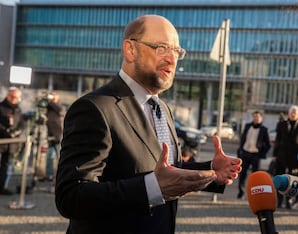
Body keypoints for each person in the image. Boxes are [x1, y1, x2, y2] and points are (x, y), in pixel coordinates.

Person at [54, 15, 242, 234]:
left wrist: (211, 171)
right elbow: (72, 197)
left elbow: (165, 171)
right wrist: (152, 189)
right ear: (130, 50)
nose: (172, 60)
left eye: (176, 51)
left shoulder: (163, 109)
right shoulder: (94, 108)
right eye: (161, 48)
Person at [271, 105, 298, 209]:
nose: (293, 113)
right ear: (289, 113)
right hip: (281, 156)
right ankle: (279, 201)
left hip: (294, 158)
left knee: (291, 180)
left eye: (295, 112)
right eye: (292, 112)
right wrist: (274, 154)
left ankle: (288, 201)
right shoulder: (281, 124)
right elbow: (277, 140)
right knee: (280, 178)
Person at [236, 111, 271, 199]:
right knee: (242, 173)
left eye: (258, 117)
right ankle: (241, 191)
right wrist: (240, 150)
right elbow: (243, 139)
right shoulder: (248, 126)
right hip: (245, 153)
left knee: (255, 175)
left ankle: (254, 193)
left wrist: (262, 154)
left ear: (261, 118)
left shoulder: (264, 129)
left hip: (256, 155)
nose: (256, 118)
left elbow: (268, 145)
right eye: (254, 117)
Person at [0, 87, 25, 195]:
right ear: (9, 96)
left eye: (18, 98)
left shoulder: (18, 109)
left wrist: (17, 131)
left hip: (11, 144)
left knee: (5, 166)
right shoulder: (1, 107)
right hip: (2, 140)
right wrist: (7, 132)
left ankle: (1, 187)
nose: (16, 99)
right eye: (15, 97)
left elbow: (22, 123)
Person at [43, 92, 65, 182]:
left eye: (53, 96)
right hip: (50, 134)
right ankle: (49, 175)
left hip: (58, 135)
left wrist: (51, 102)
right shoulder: (49, 108)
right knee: (50, 156)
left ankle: (62, 175)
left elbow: (61, 112)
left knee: (60, 156)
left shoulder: (60, 106)